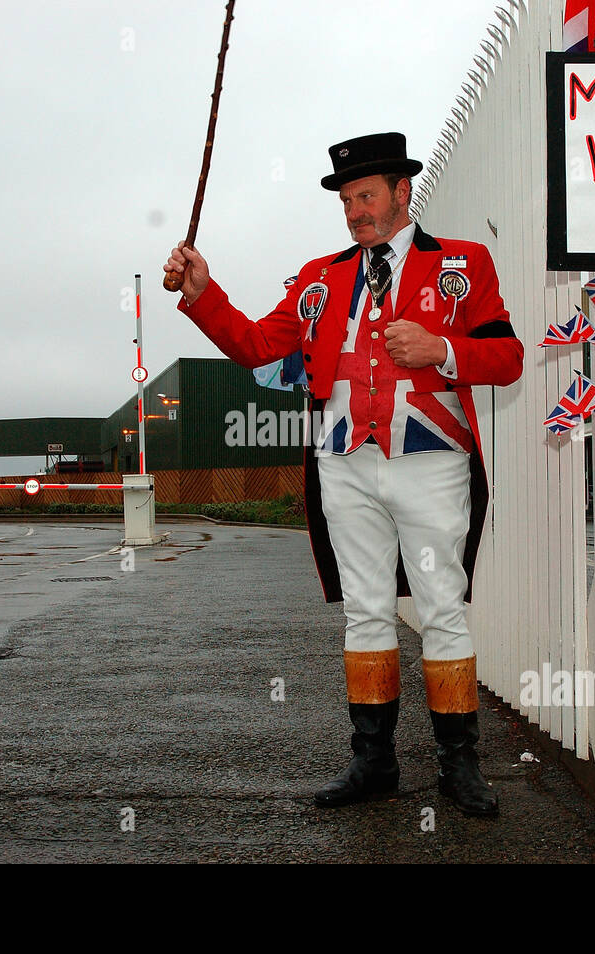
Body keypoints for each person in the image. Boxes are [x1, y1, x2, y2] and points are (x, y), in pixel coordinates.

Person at [165, 132, 524, 816]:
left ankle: (460, 765)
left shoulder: (463, 262)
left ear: (401, 193)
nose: (355, 211)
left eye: (365, 196)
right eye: (346, 200)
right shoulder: (319, 278)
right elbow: (252, 346)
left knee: (443, 609)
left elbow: (506, 356)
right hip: (344, 466)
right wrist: (204, 291)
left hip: (430, 461)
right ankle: (373, 763)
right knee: (365, 611)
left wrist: (441, 348)